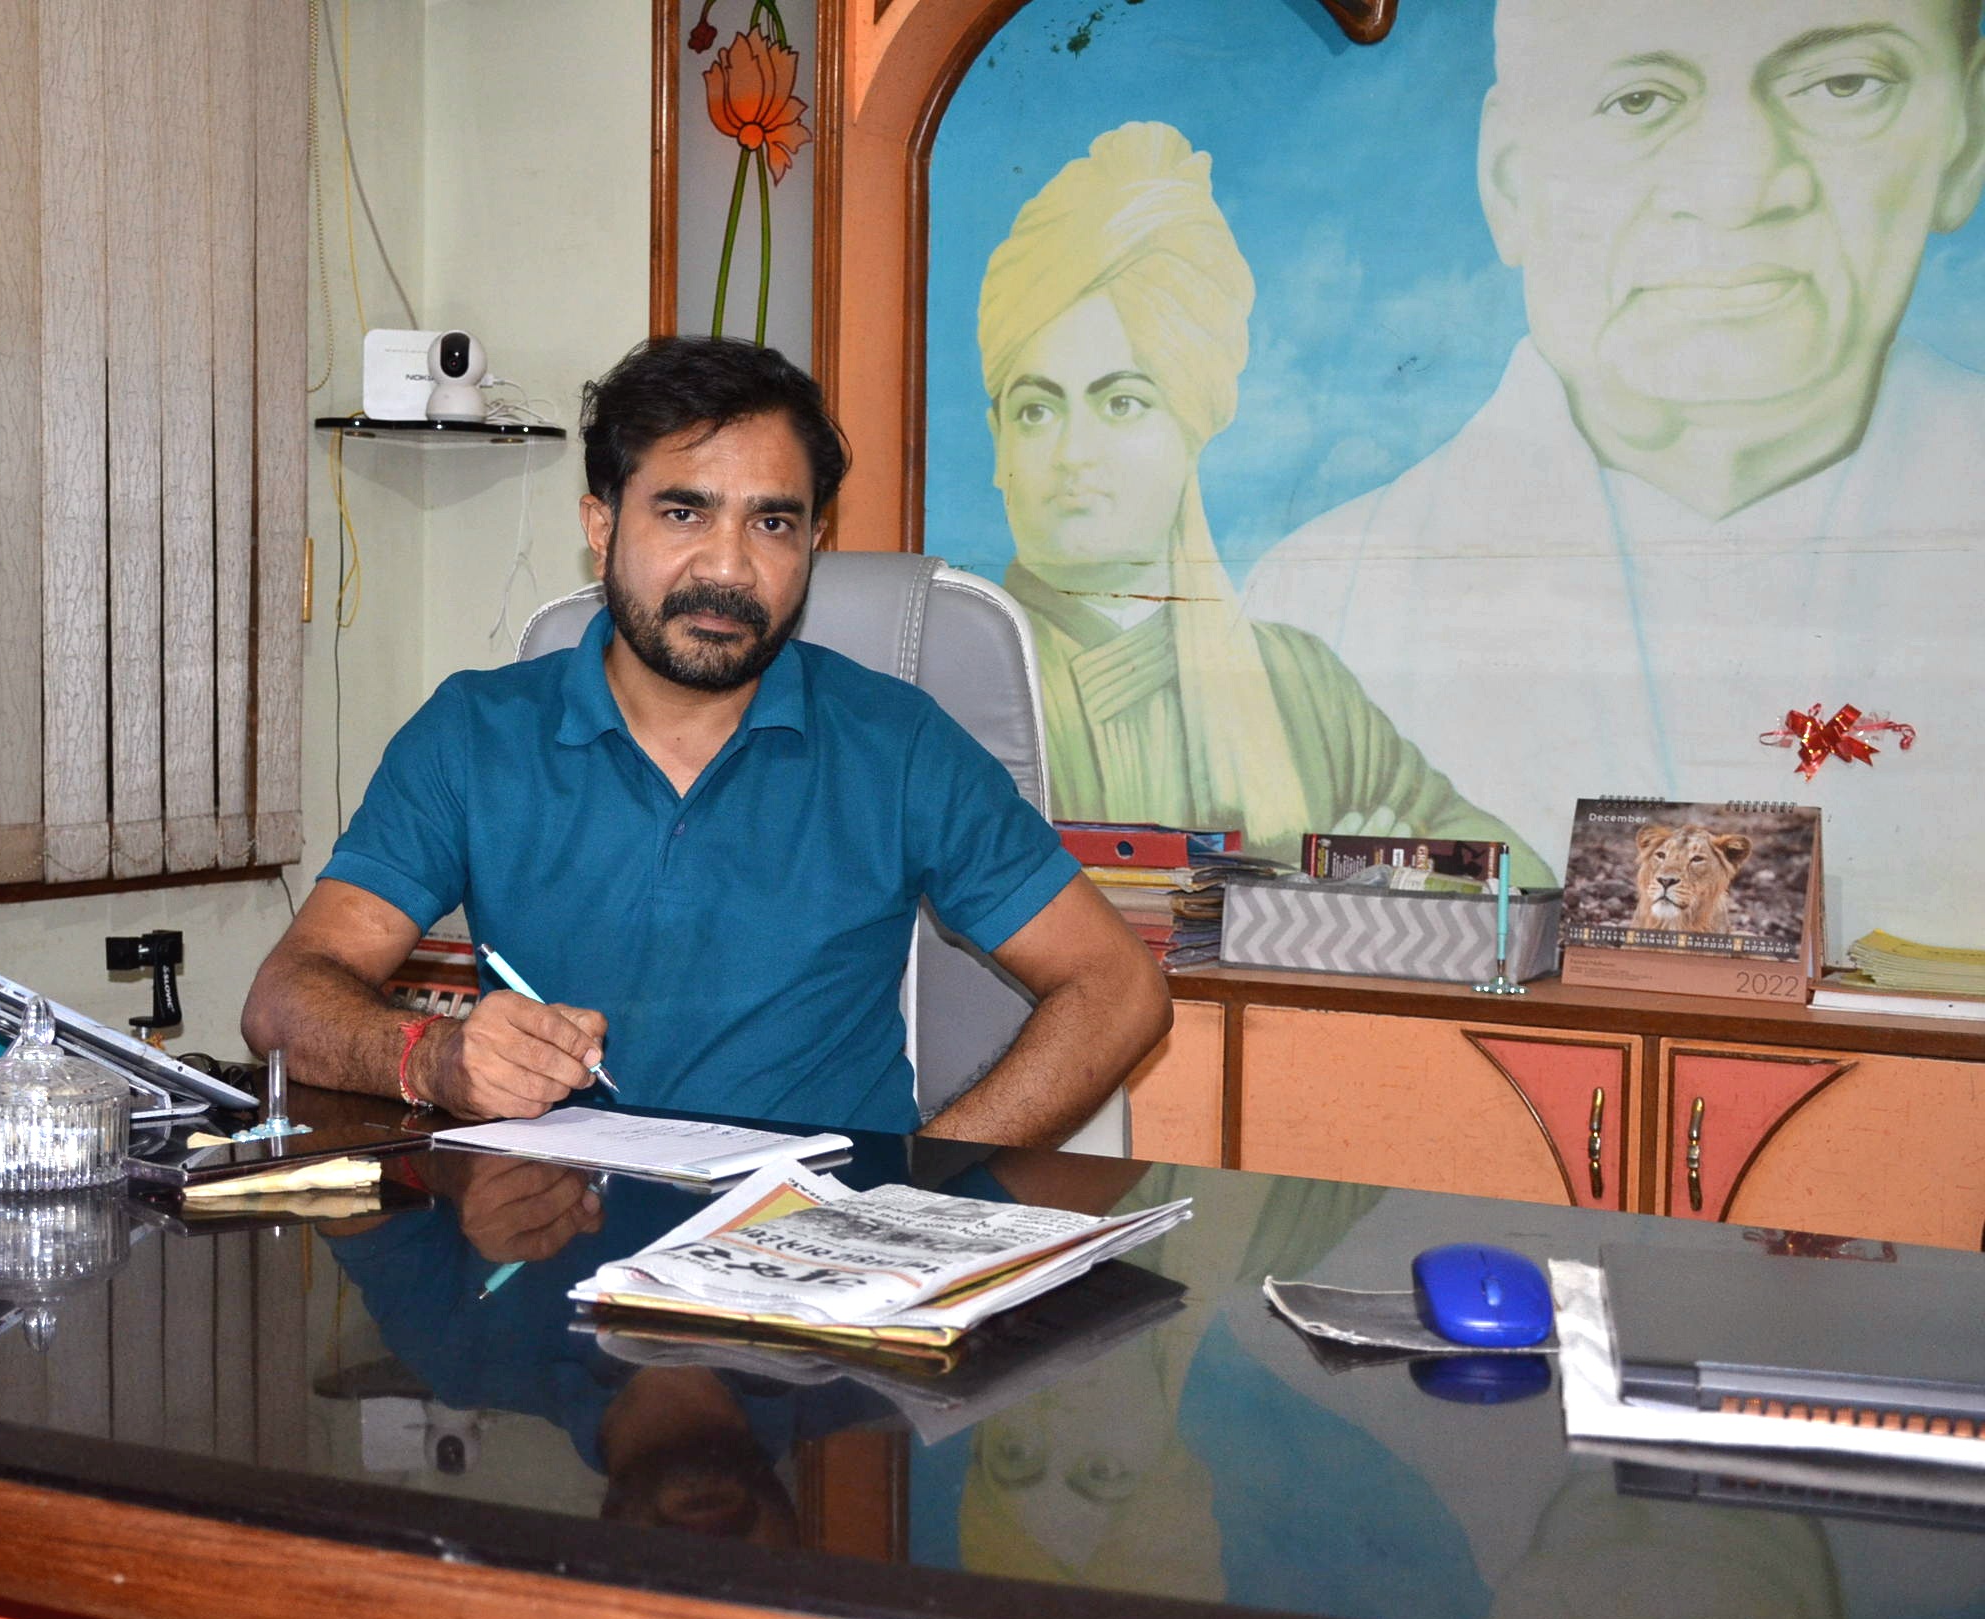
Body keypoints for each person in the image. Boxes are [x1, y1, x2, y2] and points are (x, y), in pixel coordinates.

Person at [244, 335, 1168, 1144]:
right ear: (602, 527)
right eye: (684, 513)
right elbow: (286, 997)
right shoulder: (473, 733)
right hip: (551, 1240)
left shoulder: (898, 745)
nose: (729, 568)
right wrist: (432, 1058)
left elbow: (1119, 991)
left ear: (813, 543)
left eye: (773, 523)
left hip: (814, 1253)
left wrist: (921, 1191)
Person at [1242, 0, 1985, 941]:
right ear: (1509, 180)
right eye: (1639, 101)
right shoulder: (1321, 604)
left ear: (1964, 135)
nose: (1735, 187)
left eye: (1844, 86)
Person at [979, 122, 1542, 870]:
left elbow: (1507, 871)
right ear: (998, 440)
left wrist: (1399, 874)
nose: (1074, 452)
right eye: (1037, 411)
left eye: (1121, 403)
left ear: (1192, 426)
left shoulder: (1299, 686)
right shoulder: (957, 676)